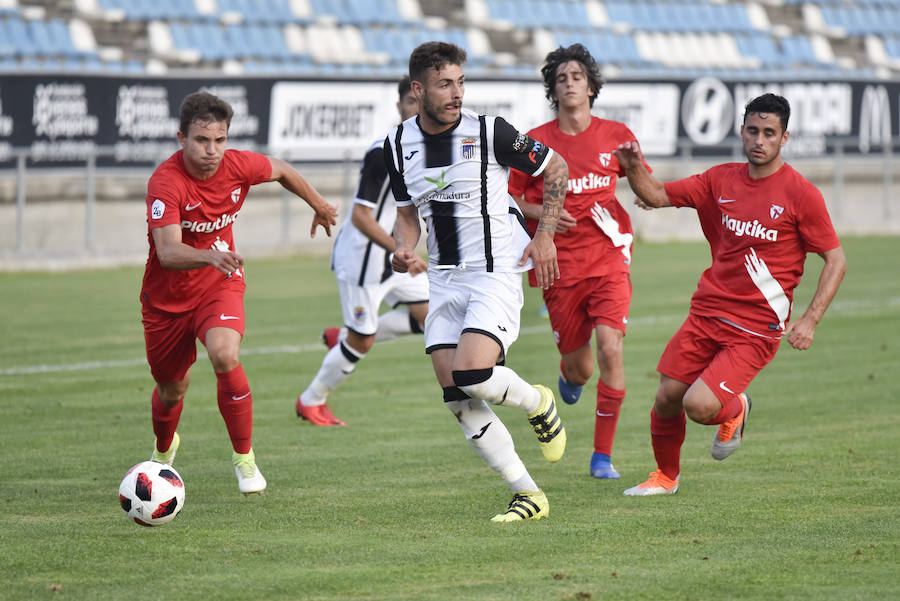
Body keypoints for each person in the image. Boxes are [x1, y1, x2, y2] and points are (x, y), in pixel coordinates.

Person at [614, 93, 847, 496]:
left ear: (784, 138)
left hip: (755, 329)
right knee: (668, 396)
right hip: (706, 312)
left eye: (769, 133)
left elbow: (836, 260)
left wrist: (809, 320)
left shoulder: (801, 195)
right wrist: (634, 167)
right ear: (741, 131)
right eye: (753, 131)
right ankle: (666, 478)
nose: (759, 140)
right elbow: (655, 194)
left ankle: (736, 408)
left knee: (698, 405)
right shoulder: (719, 179)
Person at [385, 41, 571, 522]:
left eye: (461, 82)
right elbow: (408, 216)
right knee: (457, 397)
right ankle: (528, 494)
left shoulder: (490, 132)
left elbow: (556, 167)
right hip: (444, 279)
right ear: (418, 89)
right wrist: (402, 248)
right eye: (445, 84)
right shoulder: (395, 145)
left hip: (494, 271)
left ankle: (537, 402)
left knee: (473, 373)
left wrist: (545, 235)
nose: (457, 93)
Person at [141, 91, 338, 494]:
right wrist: (208, 257)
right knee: (171, 388)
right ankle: (163, 452)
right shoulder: (166, 181)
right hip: (167, 300)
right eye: (201, 140)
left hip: (220, 282)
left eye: (220, 139)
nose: (212, 150)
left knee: (224, 353)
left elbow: (281, 169)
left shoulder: (238, 165)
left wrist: (317, 203)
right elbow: (167, 253)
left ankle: (245, 460)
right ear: (182, 139)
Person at [508, 43, 652, 480]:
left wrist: (645, 182)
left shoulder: (617, 136)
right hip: (558, 266)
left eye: (576, 77)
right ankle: (569, 376)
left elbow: (645, 187)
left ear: (591, 86)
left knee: (611, 349)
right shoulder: (535, 141)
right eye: (561, 78)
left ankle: (602, 457)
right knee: (581, 367)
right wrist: (542, 213)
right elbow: (507, 196)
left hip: (609, 259)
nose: (569, 83)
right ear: (553, 90)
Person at [295, 76, 429, 427]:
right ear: (400, 107)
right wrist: (402, 250)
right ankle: (311, 400)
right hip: (362, 261)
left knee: (432, 315)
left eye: (421, 102)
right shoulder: (382, 151)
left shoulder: (424, 151)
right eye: (410, 103)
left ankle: (343, 338)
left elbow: (404, 211)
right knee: (363, 342)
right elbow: (360, 215)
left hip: (394, 256)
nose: (416, 109)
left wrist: (406, 248)